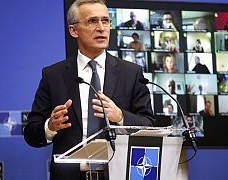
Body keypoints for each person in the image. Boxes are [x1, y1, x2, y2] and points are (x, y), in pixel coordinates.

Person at [23, 1, 155, 180]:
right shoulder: (53, 75)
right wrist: (50, 127)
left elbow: (149, 125)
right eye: (92, 21)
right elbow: (31, 134)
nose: (101, 28)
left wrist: (120, 116)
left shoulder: (131, 73)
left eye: (105, 21)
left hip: (120, 173)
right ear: (73, 30)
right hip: (70, 175)